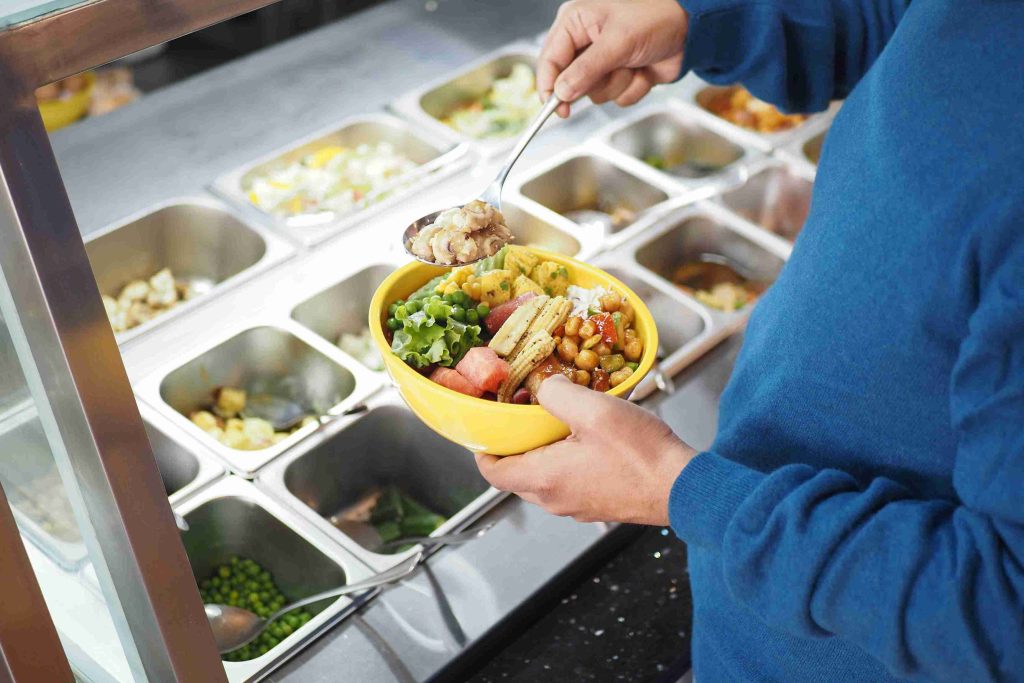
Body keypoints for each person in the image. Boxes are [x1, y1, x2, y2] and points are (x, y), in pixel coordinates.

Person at [474, 1, 1024, 681]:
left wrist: (677, 487)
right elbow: (915, 29)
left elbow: (1003, 614)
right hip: (754, 624)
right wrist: (703, 21)